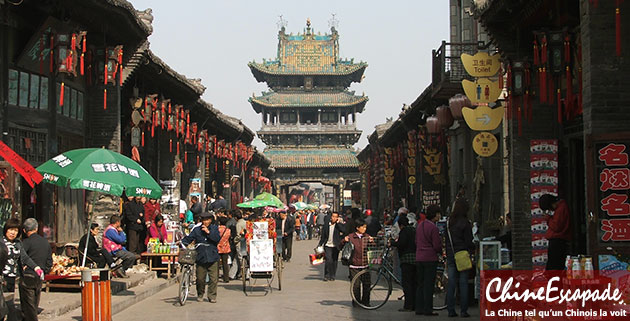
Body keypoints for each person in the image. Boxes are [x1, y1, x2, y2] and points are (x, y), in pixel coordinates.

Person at [3, 218, 40, 321]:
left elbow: (25, 257)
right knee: (5, 306)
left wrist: (36, 267)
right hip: (2, 278)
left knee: (9, 303)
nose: (13, 233)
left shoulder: (18, 243)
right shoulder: (1, 243)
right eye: (11, 230)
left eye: (15, 231)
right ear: (6, 229)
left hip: (12, 277)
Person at [182, 212, 221, 303]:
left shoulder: (214, 229)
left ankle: (212, 295)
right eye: (204, 220)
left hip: (212, 256)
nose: (205, 222)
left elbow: (217, 239)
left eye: (207, 220)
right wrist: (182, 243)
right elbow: (189, 238)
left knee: (213, 279)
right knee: (200, 278)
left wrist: (208, 232)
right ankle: (200, 294)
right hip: (200, 256)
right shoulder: (197, 230)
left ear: (211, 220)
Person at [445, 200, 474, 318]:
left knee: (451, 282)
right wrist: (472, 249)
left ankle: (450, 309)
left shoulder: (449, 223)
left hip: (451, 254)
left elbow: (446, 240)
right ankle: (463, 310)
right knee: (463, 283)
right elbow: (469, 240)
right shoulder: (465, 223)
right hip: (462, 254)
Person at [20, 218, 52, 321]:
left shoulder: (26, 242)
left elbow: (21, 257)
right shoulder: (45, 242)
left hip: (28, 276)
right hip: (39, 276)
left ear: (24, 230)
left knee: (28, 306)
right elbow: (49, 262)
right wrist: (44, 271)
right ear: (37, 229)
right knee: (34, 303)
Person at [415, 205, 442, 316]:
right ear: (435, 215)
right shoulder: (433, 228)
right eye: (438, 214)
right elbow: (436, 245)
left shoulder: (420, 226)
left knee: (420, 284)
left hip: (419, 257)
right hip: (430, 258)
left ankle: (419, 308)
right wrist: (440, 251)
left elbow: (416, 241)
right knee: (429, 285)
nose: (439, 216)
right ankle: (428, 309)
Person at [342, 218, 374, 307]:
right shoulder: (351, 237)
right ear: (357, 228)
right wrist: (344, 240)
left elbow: (373, 247)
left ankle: (366, 302)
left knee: (367, 284)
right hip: (354, 265)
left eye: (365, 227)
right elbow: (341, 246)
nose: (364, 229)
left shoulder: (367, 236)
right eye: (363, 227)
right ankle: (356, 302)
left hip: (365, 264)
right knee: (356, 285)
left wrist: (372, 241)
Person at [391, 215, 416, 312]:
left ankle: (408, 305)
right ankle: (414, 304)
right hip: (416, 258)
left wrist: (393, 243)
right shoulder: (413, 230)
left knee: (407, 284)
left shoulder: (404, 231)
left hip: (407, 259)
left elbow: (402, 244)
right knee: (414, 283)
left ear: (400, 225)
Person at [539, 194, 571, 271]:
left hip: (557, 241)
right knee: (553, 265)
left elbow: (556, 227)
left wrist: (548, 218)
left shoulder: (561, 208)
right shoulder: (561, 208)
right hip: (557, 241)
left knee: (554, 266)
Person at [317, 211, 345, 281]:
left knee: (334, 261)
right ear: (330, 217)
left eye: (336, 217)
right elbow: (323, 236)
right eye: (333, 216)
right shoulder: (326, 225)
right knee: (328, 260)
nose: (334, 218)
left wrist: (338, 223)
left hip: (336, 246)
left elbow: (343, 230)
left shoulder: (338, 225)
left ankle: (332, 275)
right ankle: (326, 275)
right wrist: (320, 244)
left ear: (338, 218)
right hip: (327, 245)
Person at [229, 210, 246, 279]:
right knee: (236, 260)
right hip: (245, 242)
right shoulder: (245, 222)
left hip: (240, 243)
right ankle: (231, 274)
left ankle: (244, 274)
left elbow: (239, 235)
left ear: (236, 217)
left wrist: (234, 240)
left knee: (241, 259)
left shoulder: (238, 224)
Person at [217, 216, 231, 283]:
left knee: (216, 264)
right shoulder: (228, 230)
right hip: (225, 247)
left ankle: (216, 278)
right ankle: (226, 278)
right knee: (225, 263)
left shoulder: (217, 229)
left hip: (218, 247)